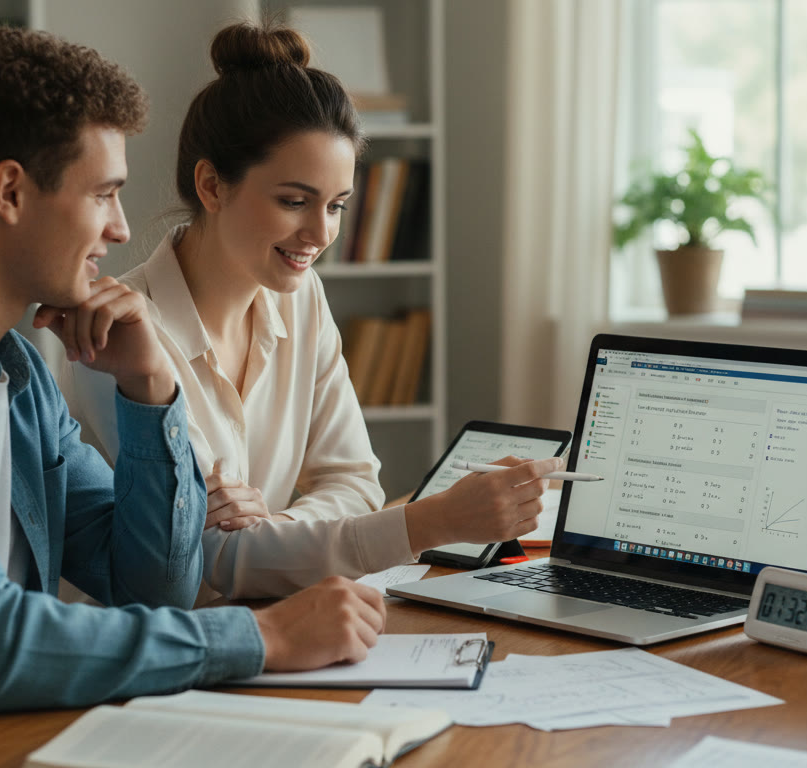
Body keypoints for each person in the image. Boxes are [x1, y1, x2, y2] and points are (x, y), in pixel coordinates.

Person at [0, 27, 398, 767]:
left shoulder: (18, 376)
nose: (121, 227)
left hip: (10, 743)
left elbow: (155, 585)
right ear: (9, 191)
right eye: (103, 193)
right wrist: (265, 636)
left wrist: (150, 387)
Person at [59, 21, 560, 602]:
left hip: (274, 630)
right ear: (212, 186)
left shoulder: (302, 300)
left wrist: (271, 530)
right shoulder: (118, 337)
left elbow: (353, 482)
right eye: (294, 201)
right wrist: (432, 522)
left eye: (337, 205)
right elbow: (204, 559)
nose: (320, 233)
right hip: (152, 654)